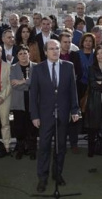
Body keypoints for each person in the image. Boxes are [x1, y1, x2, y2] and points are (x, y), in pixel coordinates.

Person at [30, 39, 80, 193]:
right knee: (44, 147)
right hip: (45, 115)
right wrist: (35, 116)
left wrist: (75, 110)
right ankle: (42, 179)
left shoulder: (68, 66)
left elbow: (73, 90)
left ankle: (57, 174)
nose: (55, 51)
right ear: (45, 52)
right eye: (51, 48)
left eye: (57, 48)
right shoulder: (38, 69)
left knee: (61, 147)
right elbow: (33, 95)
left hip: (63, 114)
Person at [10, 45, 38, 160]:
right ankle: (21, 149)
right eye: (20, 54)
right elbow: (14, 86)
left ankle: (32, 150)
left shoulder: (36, 67)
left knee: (32, 128)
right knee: (19, 128)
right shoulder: (12, 68)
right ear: (17, 56)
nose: (23, 56)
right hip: (19, 103)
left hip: (33, 102)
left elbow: (36, 84)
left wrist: (22, 81)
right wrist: (28, 84)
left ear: (29, 54)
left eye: (25, 53)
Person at [59, 32, 83, 154]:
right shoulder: (55, 56)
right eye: (65, 42)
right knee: (61, 120)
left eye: (69, 42)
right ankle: (61, 144)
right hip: (58, 94)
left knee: (74, 119)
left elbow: (79, 72)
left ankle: (74, 143)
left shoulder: (75, 55)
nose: (67, 44)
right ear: (60, 43)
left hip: (73, 92)